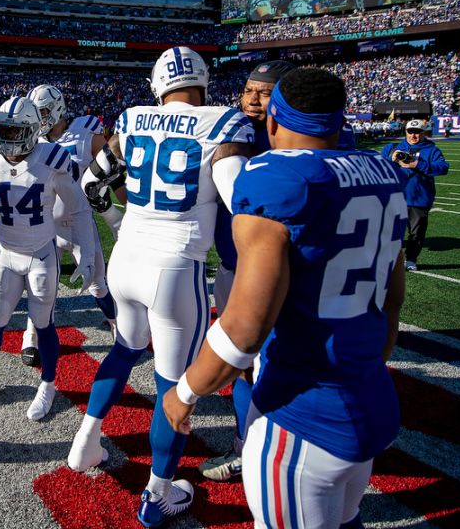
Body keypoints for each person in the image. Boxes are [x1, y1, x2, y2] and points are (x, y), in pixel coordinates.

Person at [163, 67, 409, 529]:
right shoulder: (384, 172)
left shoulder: (274, 176)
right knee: (345, 519)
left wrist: (185, 391)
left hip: (300, 415)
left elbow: (245, 328)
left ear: (273, 121)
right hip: (372, 395)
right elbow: (393, 299)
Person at [66, 47, 252, 527]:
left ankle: (85, 441)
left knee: (125, 349)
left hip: (127, 259)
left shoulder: (132, 120)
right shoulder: (224, 122)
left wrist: (117, 222)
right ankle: (157, 495)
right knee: (174, 388)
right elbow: (241, 200)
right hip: (175, 268)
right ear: (202, 81)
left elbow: (91, 183)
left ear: (158, 85)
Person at [0, 97, 96, 421]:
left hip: (41, 255)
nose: (10, 139)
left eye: (18, 131)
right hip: (5, 255)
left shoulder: (52, 158)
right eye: (5, 130)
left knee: (43, 324)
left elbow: (79, 208)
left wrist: (87, 253)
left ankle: (48, 383)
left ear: (32, 130)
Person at [203, 59, 294, 483]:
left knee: (267, 361)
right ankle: (250, 437)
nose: (252, 100)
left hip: (281, 270)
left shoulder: (294, 136)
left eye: (264, 91)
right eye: (248, 90)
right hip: (233, 264)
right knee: (243, 362)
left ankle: (259, 444)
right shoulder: (228, 128)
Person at [15, 84, 121, 368]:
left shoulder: (86, 130)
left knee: (98, 283)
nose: (40, 116)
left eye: (44, 110)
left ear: (59, 107)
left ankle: (115, 324)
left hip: (78, 224)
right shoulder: (32, 139)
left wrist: (123, 211)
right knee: (39, 284)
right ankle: (31, 335)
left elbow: (112, 171)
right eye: (36, 111)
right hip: (45, 225)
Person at [381, 119, 450, 272]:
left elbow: (443, 168)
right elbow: (378, 168)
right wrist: (390, 160)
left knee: (416, 232)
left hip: (419, 198)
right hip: (394, 197)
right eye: (410, 132)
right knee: (389, 231)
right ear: (405, 132)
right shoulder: (392, 147)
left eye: (417, 132)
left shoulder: (431, 150)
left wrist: (416, 164)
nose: (414, 135)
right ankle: (389, 259)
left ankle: (411, 259)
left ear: (423, 132)